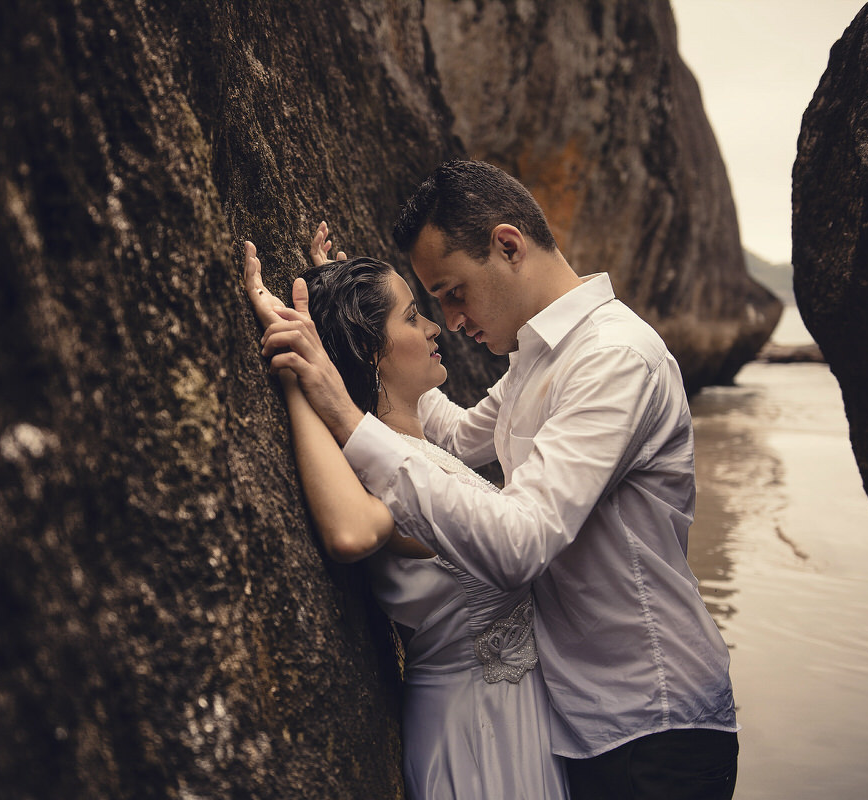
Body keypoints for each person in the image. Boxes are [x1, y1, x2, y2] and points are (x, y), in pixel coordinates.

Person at [250, 161, 740, 800]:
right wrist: (355, 337)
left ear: (509, 246)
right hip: (574, 722)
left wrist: (343, 408)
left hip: (651, 722)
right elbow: (451, 438)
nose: (450, 320)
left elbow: (521, 542)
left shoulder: (612, 359)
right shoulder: (539, 357)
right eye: (430, 305)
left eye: (454, 292)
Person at [244, 225, 569, 799]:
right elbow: (350, 531)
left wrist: (349, 300)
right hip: (475, 734)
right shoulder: (383, 470)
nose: (435, 327)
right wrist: (298, 376)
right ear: (372, 349)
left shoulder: (415, 453)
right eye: (414, 316)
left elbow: (423, 422)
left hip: (512, 721)